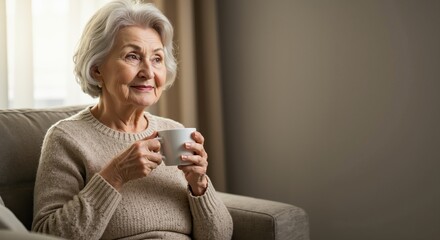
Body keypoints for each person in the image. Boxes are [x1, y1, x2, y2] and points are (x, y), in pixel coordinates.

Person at [31, 0, 233, 239]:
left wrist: (199, 185)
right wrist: (115, 175)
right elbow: (48, 234)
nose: (149, 72)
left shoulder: (173, 130)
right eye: (133, 56)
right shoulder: (67, 139)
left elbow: (220, 236)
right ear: (97, 69)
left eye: (157, 59)